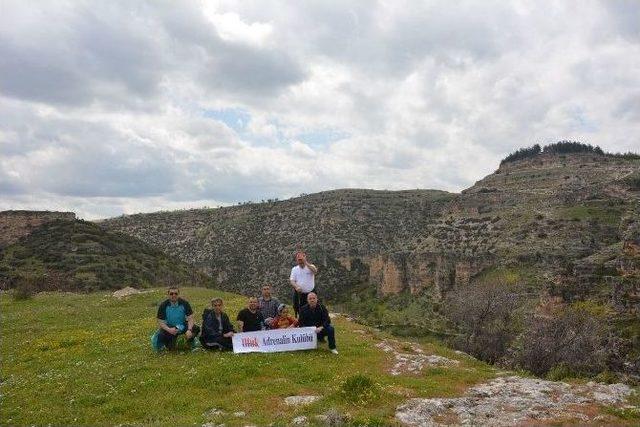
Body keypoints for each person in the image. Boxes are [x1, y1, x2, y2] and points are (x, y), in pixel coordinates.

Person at [290, 251, 318, 316]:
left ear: (305, 257)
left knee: (313, 308)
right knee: (298, 308)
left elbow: (315, 271)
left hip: (310, 293)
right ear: (296, 260)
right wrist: (296, 286)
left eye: (302, 258)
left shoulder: (310, 266)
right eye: (298, 258)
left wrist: (306, 263)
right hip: (300, 294)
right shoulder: (294, 269)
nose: (300, 260)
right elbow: (292, 280)